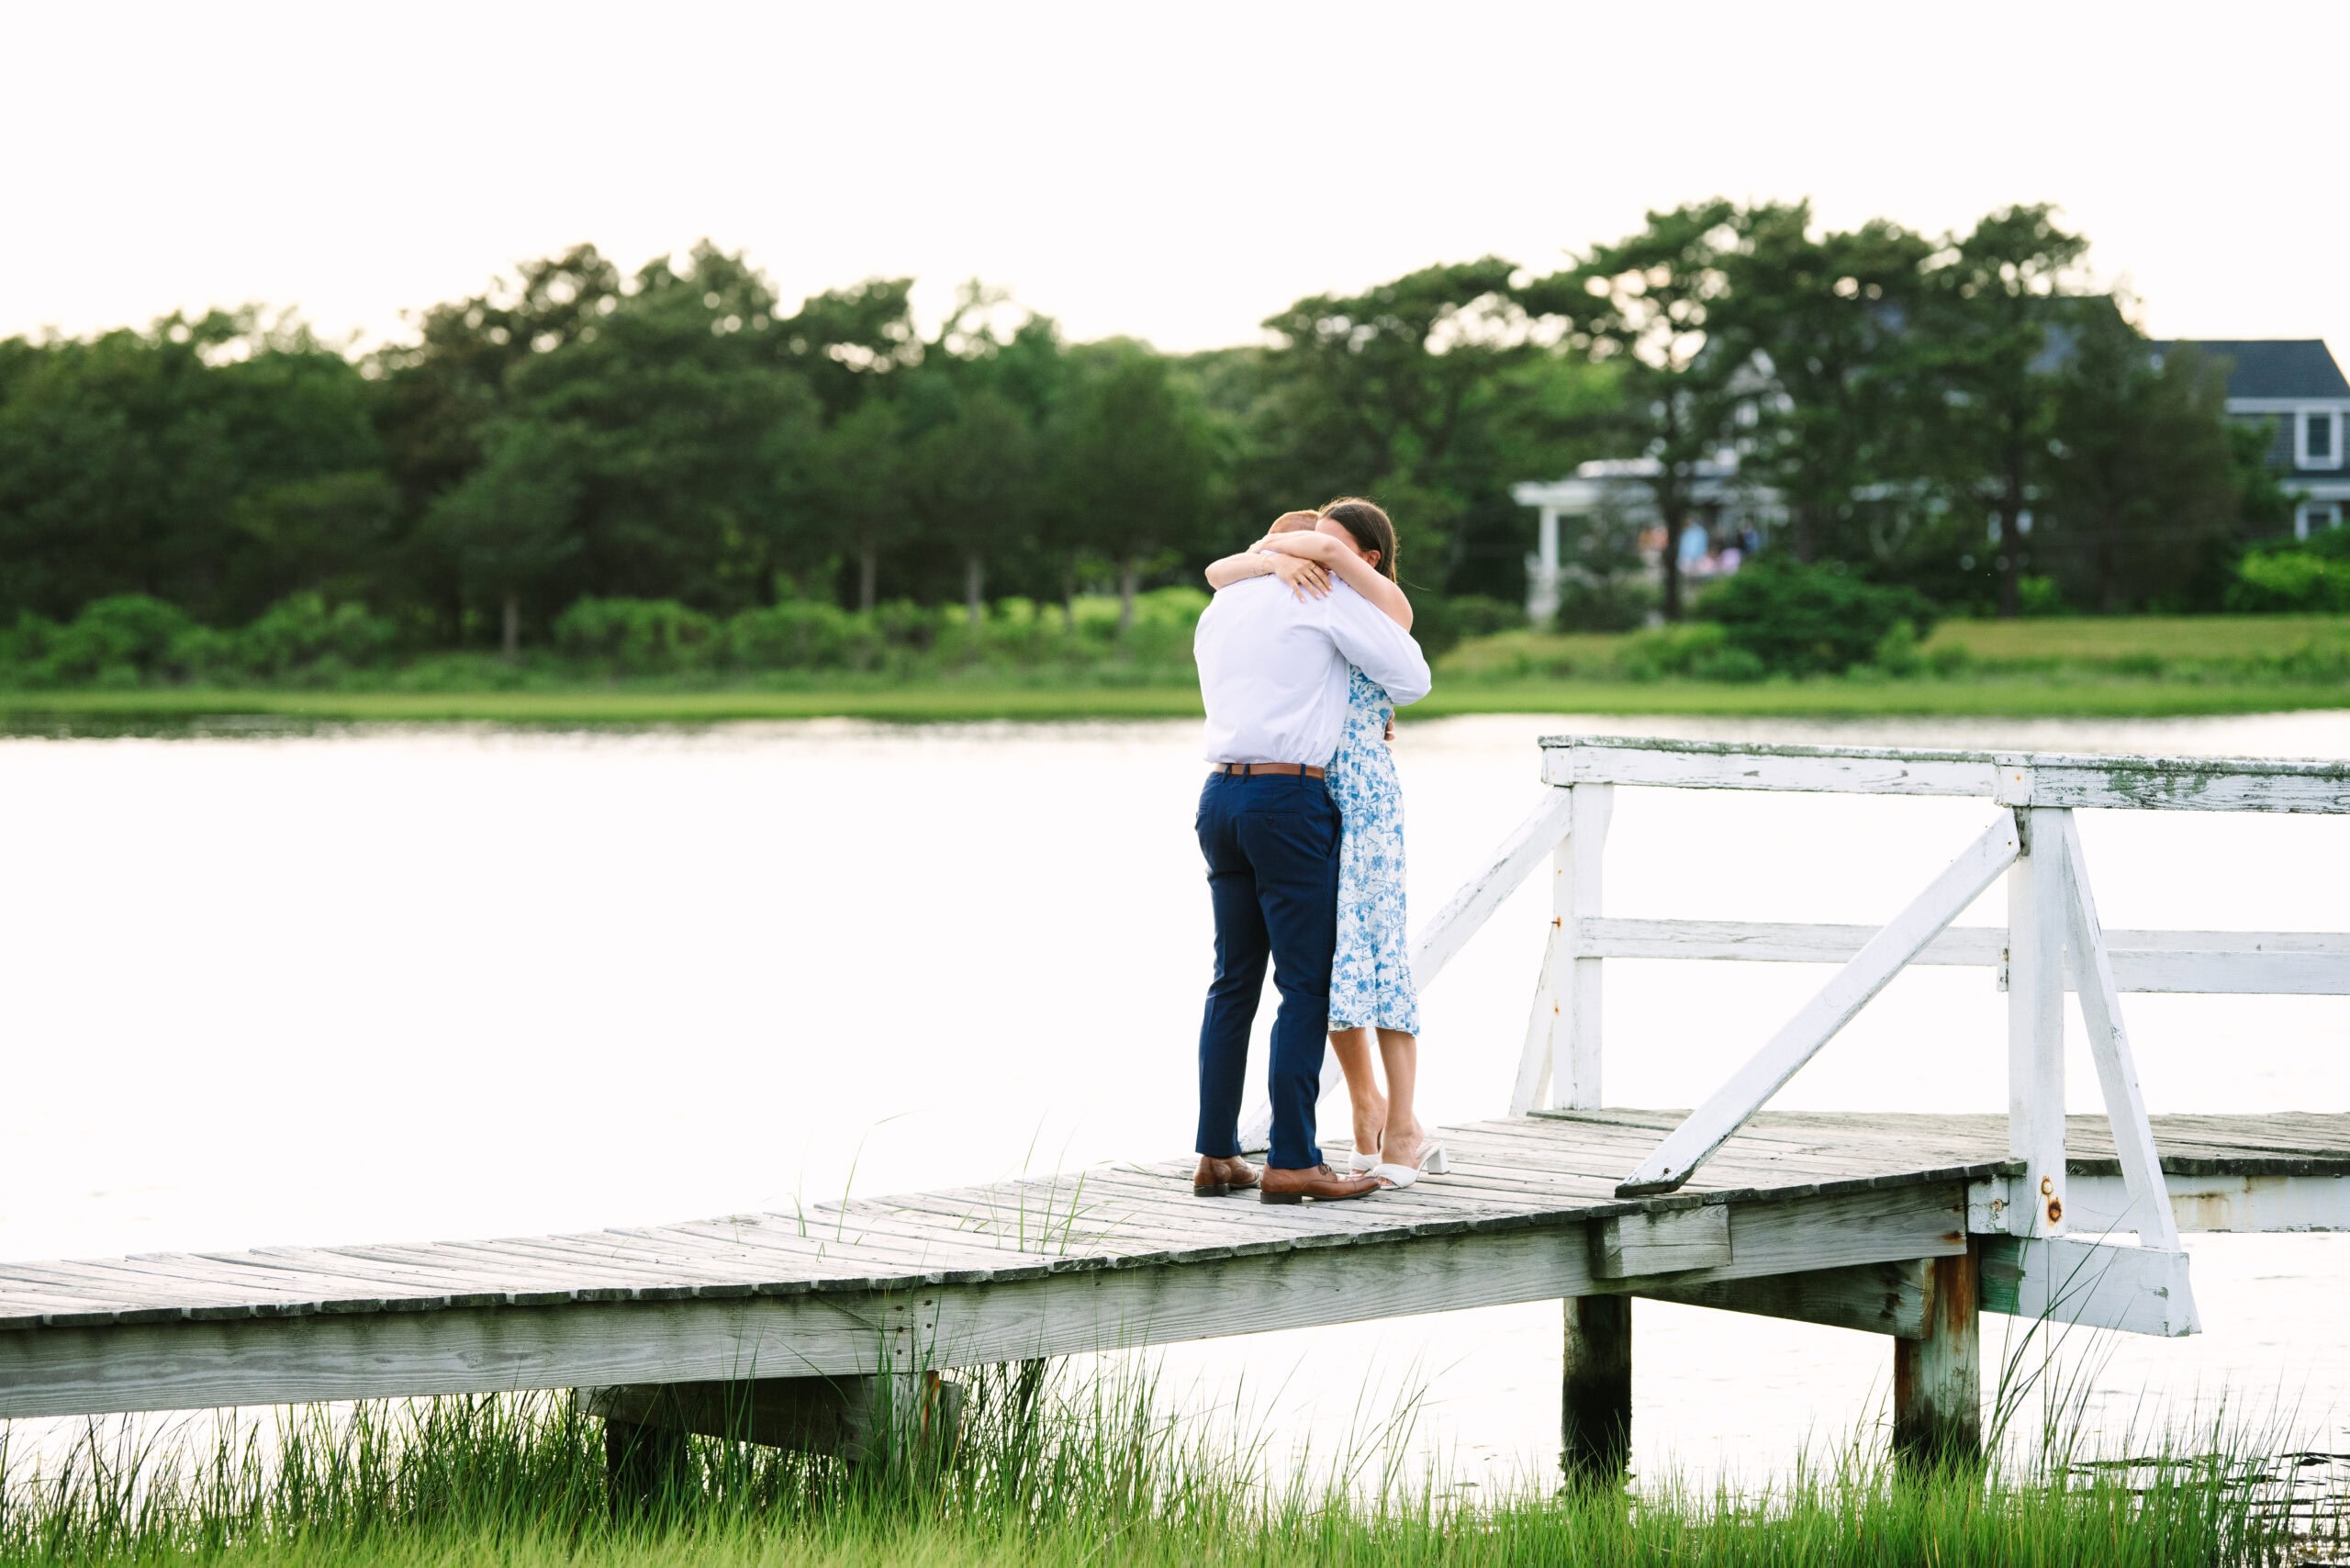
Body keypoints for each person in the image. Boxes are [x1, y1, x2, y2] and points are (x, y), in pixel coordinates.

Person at [1190, 499, 1432, 1204]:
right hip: (1288, 800)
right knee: (1304, 986)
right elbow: (1412, 680)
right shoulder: (1320, 595)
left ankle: (1217, 1153)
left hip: (1220, 797)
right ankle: (1294, 1159)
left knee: (1232, 982)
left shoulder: (1227, 603)